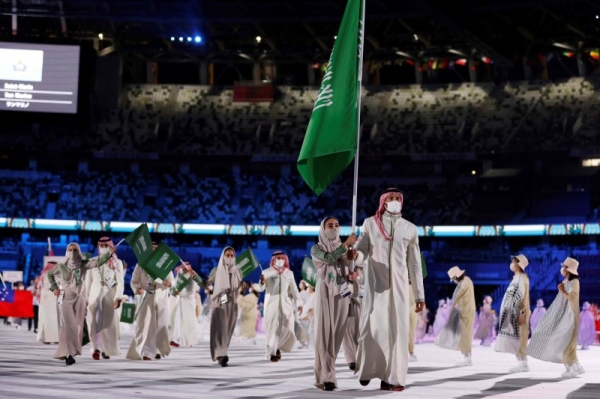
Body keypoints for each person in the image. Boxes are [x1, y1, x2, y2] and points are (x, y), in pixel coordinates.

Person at [355, 188, 425, 392]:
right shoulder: (370, 223)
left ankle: (394, 378)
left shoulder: (410, 228)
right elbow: (361, 250)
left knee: (399, 331)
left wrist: (419, 294)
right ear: (383, 202)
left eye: (398, 198)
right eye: (391, 198)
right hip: (377, 286)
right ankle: (370, 369)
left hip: (401, 288)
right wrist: (354, 256)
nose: (395, 201)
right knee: (375, 329)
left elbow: (415, 264)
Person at [311, 216, 359, 391]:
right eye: (330, 225)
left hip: (341, 294)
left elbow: (349, 271)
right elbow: (330, 259)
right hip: (324, 293)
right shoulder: (316, 248)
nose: (334, 227)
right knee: (324, 335)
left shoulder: (345, 249)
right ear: (323, 228)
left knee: (337, 335)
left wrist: (353, 272)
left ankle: (329, 372)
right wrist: (346, 245)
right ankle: (326, 377)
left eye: (337, 225)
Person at [47, 243, 113, 366]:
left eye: (75, 250)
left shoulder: (83, 264)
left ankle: (72, 350)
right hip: (65, 298)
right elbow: (49, 274)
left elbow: (96, 263)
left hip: (79, 298)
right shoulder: (61, 266)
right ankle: (68, 354)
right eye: (70, 249)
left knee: (77, 326)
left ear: (79, 251)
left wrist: (108, 255)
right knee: (68, 326)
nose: (72, 252)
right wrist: (54, 287)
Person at [527, 257, 585, 378]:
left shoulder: (575, 282)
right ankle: (570, 367)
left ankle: (575, 366)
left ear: (569, 269)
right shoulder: (565, 281)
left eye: (564, 267)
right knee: (559, 339)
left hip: (570, 315)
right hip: (561, 314)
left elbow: (573, 299)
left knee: (566, 339)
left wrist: (563, 291)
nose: (562, 269)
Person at [126, 242, 175, 361]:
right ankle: (146, 352)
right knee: (145, 325)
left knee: (160, 325)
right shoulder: (141, 264)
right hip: (146, 298)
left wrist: (170, 284)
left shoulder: (165, 265)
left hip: (161, 299)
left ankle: (158, 349)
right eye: (151, 249)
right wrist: (137, 289)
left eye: (156, 249)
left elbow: (172, 280)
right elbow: (134, 281)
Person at [258, 251, 302, 362]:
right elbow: (261, 289)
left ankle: (278, 346)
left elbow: (294, 290)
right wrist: (262, 282)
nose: (280, 259)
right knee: (272, 329)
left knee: (288, 328)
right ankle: (273, 352)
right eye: (278, 258)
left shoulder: (289, 273)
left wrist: (299, 304)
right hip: (271, 304)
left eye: (282, 258)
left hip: (286, 305)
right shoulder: (266, 272)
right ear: (273, 260)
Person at [85, 237, 125, 360]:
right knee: (95, 322)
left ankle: (106, 349)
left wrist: (118, 297)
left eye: (106, 246)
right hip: (94, 295)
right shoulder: (92, 261)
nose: (103, 248)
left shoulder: (117, 263)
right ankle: (96, 348)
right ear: (98, 247)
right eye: (101, 246)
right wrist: (86, 299)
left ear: (110, 246)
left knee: (108, 324)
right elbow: (88, 282)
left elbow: (120, 281)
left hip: (110, 295)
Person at [495, 255, 531, 373]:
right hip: (511, 314)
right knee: (515, 338)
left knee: (519, 337)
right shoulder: (515, 278)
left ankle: (523, 363)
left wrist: (521, 312)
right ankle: (521, 362)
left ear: (518, 264)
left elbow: (521, 296)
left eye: (514, 261)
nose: (512, 262)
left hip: (518, 313)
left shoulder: (522, 278)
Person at [206, 247, 241, 367]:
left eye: (232, 255)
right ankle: (221, 354)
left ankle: (222, 353)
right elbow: (206, 283)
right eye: (227, 255)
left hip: (233, 303)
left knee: (228, 330)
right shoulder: (217, 270)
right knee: (220, 327)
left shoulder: (238, 271)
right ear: (223, 256)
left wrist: (243, 288)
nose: (230, 257)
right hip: (221, 302)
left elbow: (239, 289)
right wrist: (194, 276)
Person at [435, 266, 476, 367]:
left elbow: (457, 296)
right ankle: (465, 356)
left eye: (453, 279)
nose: (453, 281)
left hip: (465, 312)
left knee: (465, 335)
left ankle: (467, 358)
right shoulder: (466, 281)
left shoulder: (464, 283)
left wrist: (452, 307)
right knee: (463, 335)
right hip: (465, 311)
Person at [169, 262, 203, 348]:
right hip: (179, 300)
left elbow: (191, 290)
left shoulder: (192, 275)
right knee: (177, 320)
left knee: (189, 321)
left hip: (188, 300)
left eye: (186, 268)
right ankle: (175, 339)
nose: (184, 269)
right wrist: (174, 291)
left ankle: (190, 340)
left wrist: (179, 293)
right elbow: (175, 285)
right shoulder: (180, 273)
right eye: (183, 267)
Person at [342, 263, 364, 371]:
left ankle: (360, 357)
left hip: (361, 303)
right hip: (346, 302)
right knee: (347, 332)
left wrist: (357, 277)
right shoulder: (342, 265)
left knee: (360, 332)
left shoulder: (363, 266)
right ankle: (351, 360)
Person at [37, 261, 60, 344]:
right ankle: (47, 339)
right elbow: (49, 286)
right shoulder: (47, 275)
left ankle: (55, 338)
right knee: (48, 319)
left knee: (54, 319)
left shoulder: (55, 275)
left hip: (52, 299)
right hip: (48, 299)